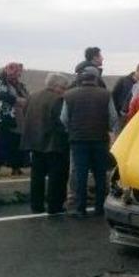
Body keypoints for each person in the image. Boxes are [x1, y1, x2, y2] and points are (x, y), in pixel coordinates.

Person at [60, 66, 118, 217]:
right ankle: (100, 207)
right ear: (96, 78)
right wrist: (108, 130)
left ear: (82, 78)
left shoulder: (69, 95)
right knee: (100, 174)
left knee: (80, 174)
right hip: (100, 139)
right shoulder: (105, 94)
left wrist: (72, 130)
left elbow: (63, 119)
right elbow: (113, 118)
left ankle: (80, 208)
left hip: (78, 140)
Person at [20, 73, 70, 215]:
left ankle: (36, 205)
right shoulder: (58, 100)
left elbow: (25, 114)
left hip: (34, 141)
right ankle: (55, 206)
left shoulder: (32, 96)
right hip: (54, 143)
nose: (65, 90)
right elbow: (61, 122)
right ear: (57, 86)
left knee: (37, 175)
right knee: (57, 176)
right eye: (64, 87)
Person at [0, 62, 30, 176]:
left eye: (18, 73)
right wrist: (17, 100)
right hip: (3, 117)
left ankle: (16, 167)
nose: (16, 75)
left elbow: (27, 97)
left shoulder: (20, 85)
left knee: (16, 143)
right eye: (14, 72)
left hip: (19, 119)